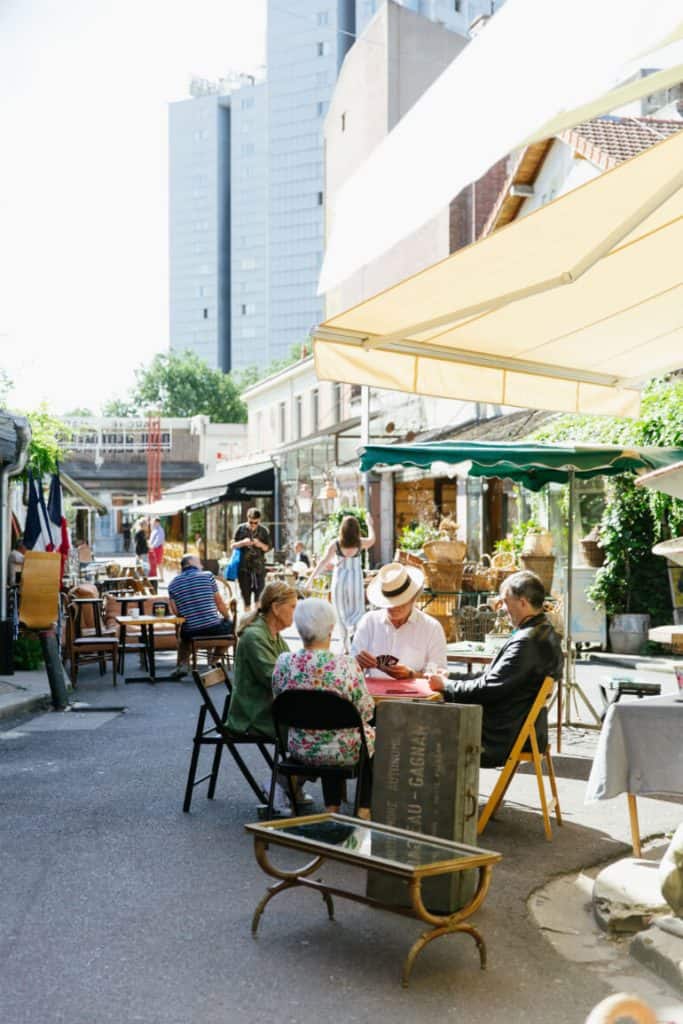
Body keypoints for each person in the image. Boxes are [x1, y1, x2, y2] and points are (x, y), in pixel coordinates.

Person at [428, 570, 563, 767]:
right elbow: (494, 678)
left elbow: (489, 687)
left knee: (423, 725)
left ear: (523, 602)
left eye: (507, 602)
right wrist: (451, 677)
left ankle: (441, 796)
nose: (503, 609)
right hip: (521, 727)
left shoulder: (527, 641)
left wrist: (447, 685)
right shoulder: (544, 631)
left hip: (500, 735)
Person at [273, 598, 375, 817]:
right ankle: (363, 809)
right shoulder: (346, 665)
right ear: (331, 629)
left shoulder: (284, 662)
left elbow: (278, 701)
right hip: (344, 751)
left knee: (331, 728)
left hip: (300, 748)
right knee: (358, 734)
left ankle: (333, 808)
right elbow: (366, 711)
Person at [351, 561, 448, 684]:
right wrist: (358, 663)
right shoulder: (369, 621)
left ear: (413, 598)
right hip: (373, 697)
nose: (393, 607)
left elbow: (439, 676)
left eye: (399, 602)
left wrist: (412, 675)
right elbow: (350, 670)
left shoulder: (431, 627)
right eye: (389, 602)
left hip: (415, 700)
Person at [226, 580, 298, 737]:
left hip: (269, 707)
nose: (296, 611)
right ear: (276, 608)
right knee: (315, 724)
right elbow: (275, 679)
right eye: (293, 606)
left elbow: (291, 669)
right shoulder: (255, 636)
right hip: (255, 715)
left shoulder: (273, 634)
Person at [309, 512, 376, 652]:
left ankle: (345, 646)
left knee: (340, 612)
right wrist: (369, 524)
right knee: (357, 611)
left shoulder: (336, 544)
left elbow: (323, 562)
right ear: (356, 530)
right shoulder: (360, 543)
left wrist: (311, 579)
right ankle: (356, 642)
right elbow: (372, 539)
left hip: (340, 581)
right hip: (355, 582)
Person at [167, 555, 234, 679]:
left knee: (184, 633)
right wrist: (227, 618)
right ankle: (213, 662)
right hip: (213, 628)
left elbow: (175, 611)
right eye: (199, 563)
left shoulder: (172, 584)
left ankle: (183, 664)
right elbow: (219, 603)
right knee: (234, 631)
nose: (202, 566)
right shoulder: (208, 576)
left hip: (191, 632)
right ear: (191, 563)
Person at [231, 507, 270, 608]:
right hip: (244, 568)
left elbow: (267, 548)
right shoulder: (240, 529)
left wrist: (259, 544)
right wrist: (243, 542)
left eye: (255, 523)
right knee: (246, 599)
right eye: (251, 522)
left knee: (259, 599)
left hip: (259, 568)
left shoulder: (264, 531)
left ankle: (256, 620)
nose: (253, 525)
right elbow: (232, 545)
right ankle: (247, 619)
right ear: (247, 518)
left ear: (259, 520)